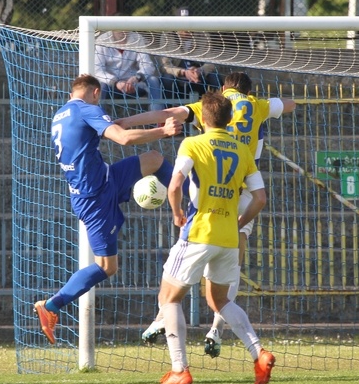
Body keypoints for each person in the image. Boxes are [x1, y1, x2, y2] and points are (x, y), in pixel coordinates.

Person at [118, 71, 296, 357]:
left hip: (209, 187)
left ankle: (165, 323)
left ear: (222, 90)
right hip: (244, 189)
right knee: (231, 262)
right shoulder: (258, 106)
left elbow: (169, 112)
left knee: (186, 255)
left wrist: (126, 122)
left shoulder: (205, 116)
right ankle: (218, 329)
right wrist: (270, 104)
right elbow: (290, 105)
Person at [33, 74, 183, 345]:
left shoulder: (60, 114)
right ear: (95, 92)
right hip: (94, 199)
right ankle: (51, 306)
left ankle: (187, 204)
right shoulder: (87, 108)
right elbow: (123, 139)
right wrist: (163, 131)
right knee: (106, 266)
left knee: (154, 159)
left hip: (105, 180)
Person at [151, 91, 273, 384]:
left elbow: (175, 185)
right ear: (229, 119)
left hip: (198, 232)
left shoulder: (192, 143)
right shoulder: (243, 150)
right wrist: (238, 223)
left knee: (168, 299)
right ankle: (259, 354)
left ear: (202, 120)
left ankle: (179, 370)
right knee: (220, 300)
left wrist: (177, 212)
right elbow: (259, 198)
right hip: (228, 237)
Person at [159, 7, 222, 102]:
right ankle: (167, 111)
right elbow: (165, 66)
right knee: (167, 79)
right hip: (177, 76)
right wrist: (183, 72)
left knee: (214, 76)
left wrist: (200, 70)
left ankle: (219, 109)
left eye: (188, 22)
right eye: (181, 22)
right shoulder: (167, 36)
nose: (185, 26)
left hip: (199, 76)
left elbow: (212, 62)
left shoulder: (203, 35)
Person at [94, 30, 166, 110]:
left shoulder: (137, 38)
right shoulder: (102, 40)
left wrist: (137, 78)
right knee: (100, 86)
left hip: (134, 86)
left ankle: (157, 117)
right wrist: (115, 82)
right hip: (110, 86)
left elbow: (148, 65)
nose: (122, 30)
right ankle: (98, 118)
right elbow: (97, 71)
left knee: (153, 80)